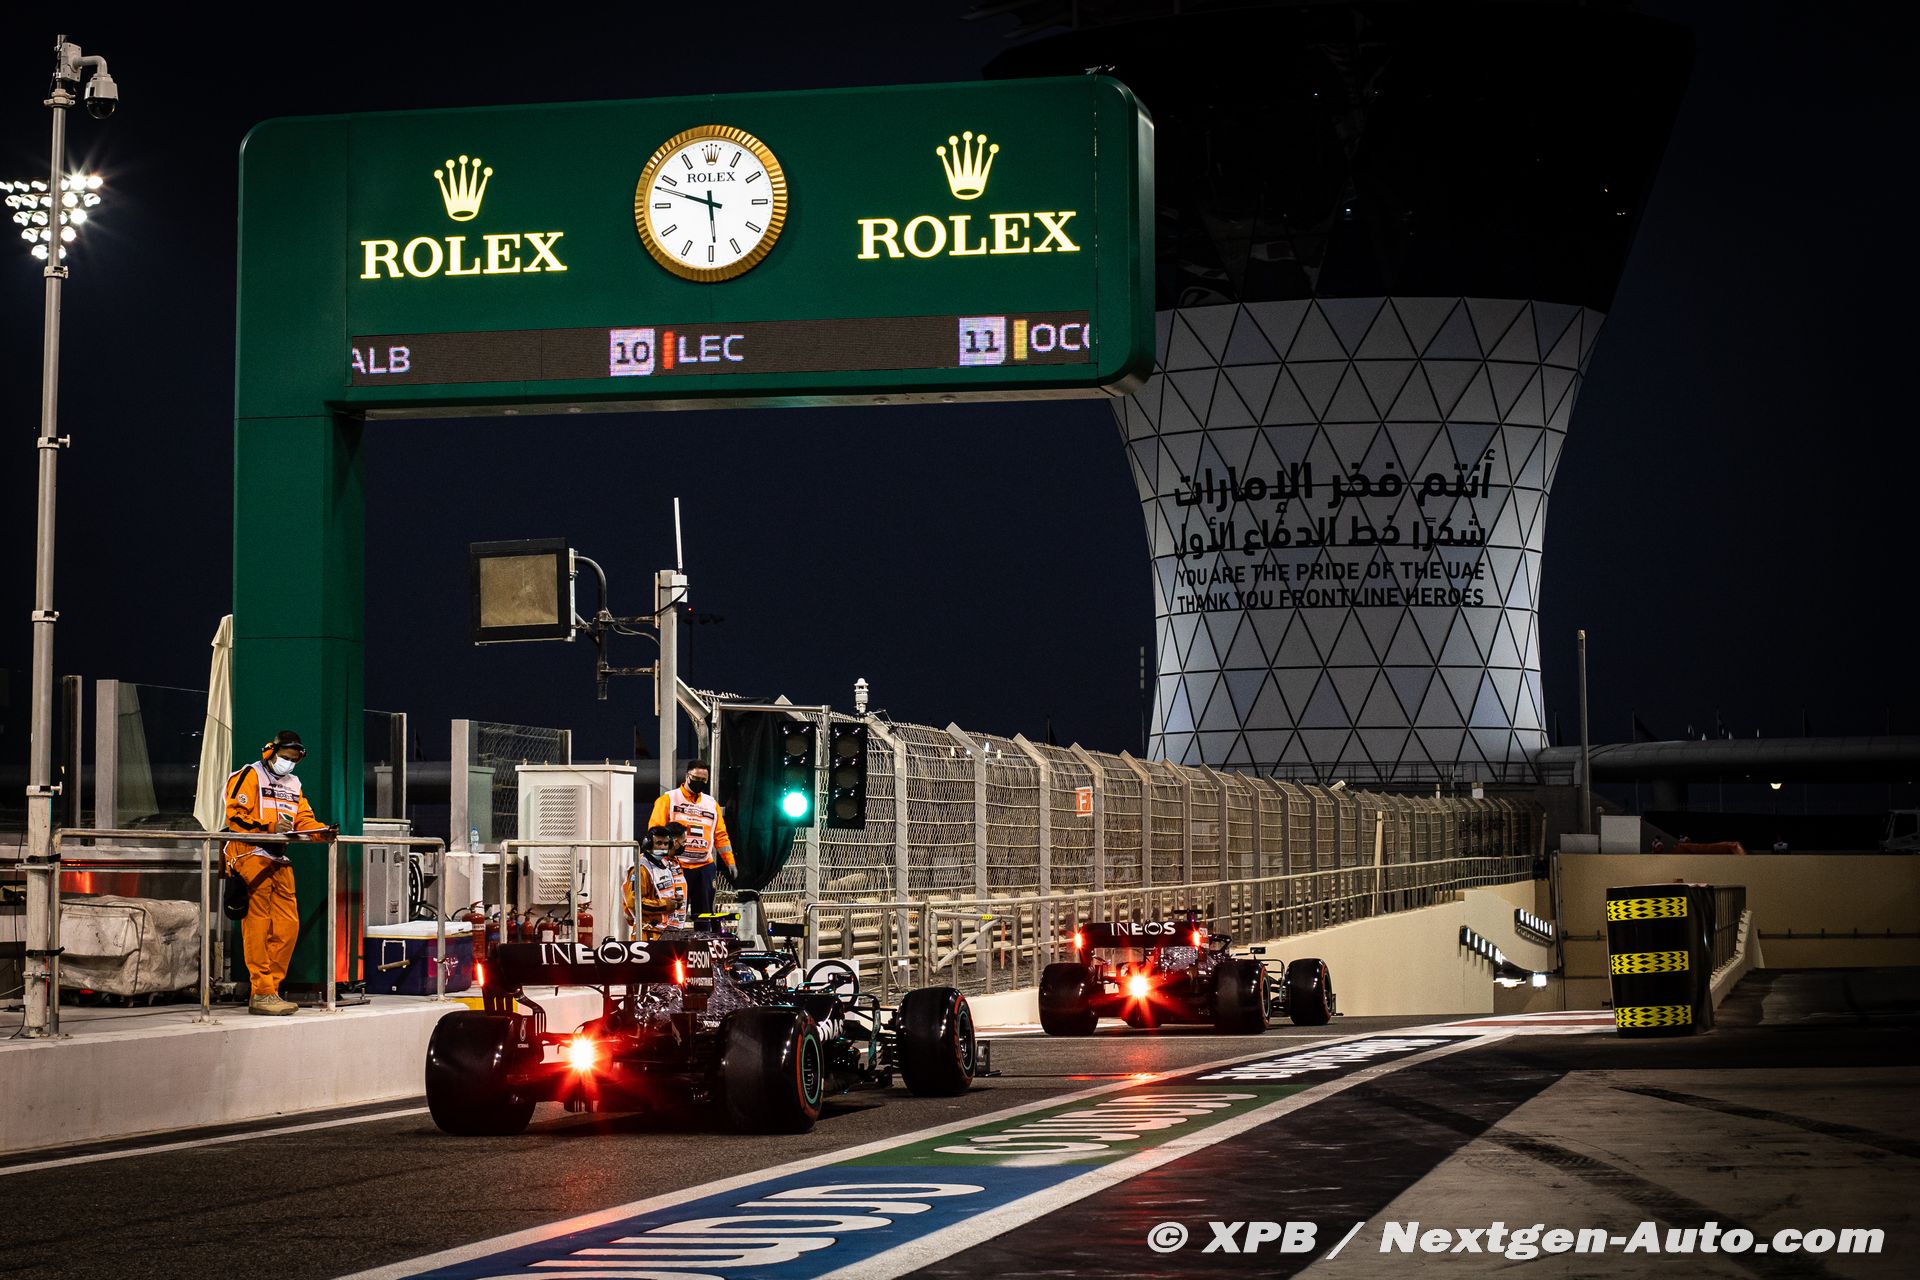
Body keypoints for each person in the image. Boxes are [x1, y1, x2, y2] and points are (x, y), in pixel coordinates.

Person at [224, 730, 335, 1015]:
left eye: (294, 759)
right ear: (271, 751)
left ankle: (270, 990)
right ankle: (261, 992)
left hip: (278, 857)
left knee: (288, 927)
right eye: (285, 757)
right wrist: (269, 828)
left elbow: (304, 819)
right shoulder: (249, 775)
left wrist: (321, 832)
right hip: (249, 854)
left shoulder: (294, 784)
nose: (289, 763)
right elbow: (235, 817)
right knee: (258, 926)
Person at [647, 760, 736, 932]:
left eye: (704, 780)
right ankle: (671, 943)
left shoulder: (711, 804)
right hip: (676, 867)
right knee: (674, 912)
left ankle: (703, 944)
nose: (699, 782)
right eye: (696, 778)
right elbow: (655, 831)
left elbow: (720, 835)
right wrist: (659, 862)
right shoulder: (669, 799)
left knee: (704, 915)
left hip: (704, 867)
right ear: (687, 776)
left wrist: (730, 861)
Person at [622, 823, 691, 937]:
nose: (663, 847)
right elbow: (634, 902)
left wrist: (675, 900)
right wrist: (666, 905)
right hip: (647, 933)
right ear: (648, 844)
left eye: (666, 843)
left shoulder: (666, 866)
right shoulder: (640, 869)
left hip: (665, 932)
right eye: (659, 843)